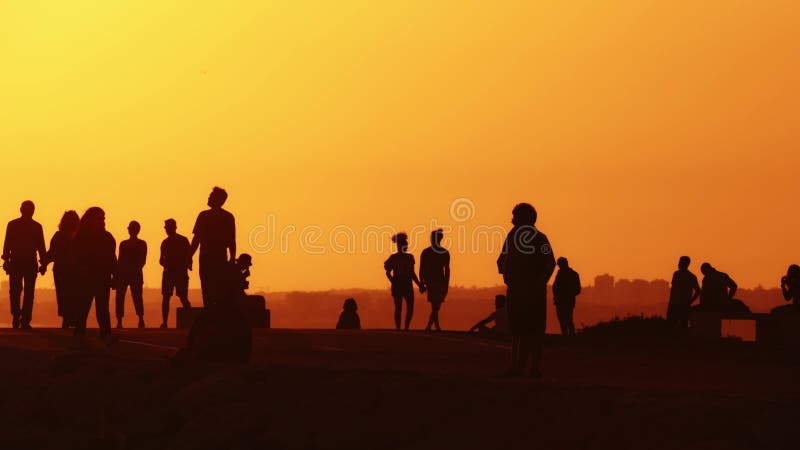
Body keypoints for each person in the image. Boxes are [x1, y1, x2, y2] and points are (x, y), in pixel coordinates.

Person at [496, 203, 556, 379]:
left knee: (523, 331)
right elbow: (550, 262)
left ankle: (521, 368)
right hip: (527, 290)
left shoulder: (519, 237)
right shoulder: (538, 238)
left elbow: (501, 261)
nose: (512, 220)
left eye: (515, 216)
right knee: (527, 331)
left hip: (525, 291)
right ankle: (528, 368)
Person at [72, 207, 117, 343]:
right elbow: (76, 258)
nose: (103, 221)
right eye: (100, 218)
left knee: (102, 308)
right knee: (84, 306)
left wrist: (115, 275)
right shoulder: (81, 238)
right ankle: (80, 332)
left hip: (101, 277)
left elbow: (112, 259)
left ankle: (105, 333)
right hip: (87, 277)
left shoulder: (107, 237)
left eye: (103, 218)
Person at [2, 200, 47, 329]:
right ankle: (24, 320)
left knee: (16, 292)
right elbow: (41, 248)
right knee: (28, 293)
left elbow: (6, 246)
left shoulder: (12, 225)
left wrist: (6, 260)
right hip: (29, 263)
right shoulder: (36, 227)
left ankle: (17, 317)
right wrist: (43, 263)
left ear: (21, 210)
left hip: (17, 262)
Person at [191, 187, 236, 308]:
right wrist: (232, 258)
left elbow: (196, 239)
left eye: (211, 196)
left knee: (208, 287)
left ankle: (210, 312)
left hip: (209, 256)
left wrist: (189, 256)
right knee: (215, 287)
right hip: (217, 256)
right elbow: (232, 241)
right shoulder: (227, 217)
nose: (209, 197)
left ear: (218, 199)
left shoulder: (204, 216)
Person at [42, 211, 80, 328]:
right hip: (74, 270)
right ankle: (72, 317)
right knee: (74, 294)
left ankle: (66, 317)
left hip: (61, 270)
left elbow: (52, 253)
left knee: (63, 294)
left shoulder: (58, 235)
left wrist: (44, 263)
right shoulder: (80, 237)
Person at [384, 232, 423, 330]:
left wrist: (393, 281)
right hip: (406, 283)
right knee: (409, 307)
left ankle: (399, 328)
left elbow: (388, 273)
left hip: (399, 282)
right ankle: (405, 328)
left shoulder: (394, 258)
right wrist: (419, 285)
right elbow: (412, 274)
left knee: (399, 308)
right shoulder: (409, 258)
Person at [159, 218, 192, 328]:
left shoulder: (179, 241)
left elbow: (189, 256)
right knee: (168, 298)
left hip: (178, 273)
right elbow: (161, 259)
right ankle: (166, 322)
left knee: (180, 297)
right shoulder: (168, 242)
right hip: (173, 272)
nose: (166, 230)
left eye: (168, 227)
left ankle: (187, 321)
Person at [114, 221, 147, 329]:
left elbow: (142, 261)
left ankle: (140, 319)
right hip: (127, 274)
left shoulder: (140, 244)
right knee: (121, 298)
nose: (130, 230)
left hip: (133, 274)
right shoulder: (125, 244)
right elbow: (120, 260)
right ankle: (121, 320)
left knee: (136, 297)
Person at [419, 229, 450, 332]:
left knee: (436, 306)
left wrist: (421, 282)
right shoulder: (443, 252)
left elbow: (447, 269)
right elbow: (422, 268)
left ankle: (433, 326)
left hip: (435, 281)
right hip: (434, 282)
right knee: (436, 306)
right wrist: (421, 282)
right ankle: (433, 326)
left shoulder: (427, 252)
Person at [666, 256, 700, 329]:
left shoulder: (691, 277)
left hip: (682, 305)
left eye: (680, 263)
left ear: (686, 264)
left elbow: (698, 291)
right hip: (674, 303)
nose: (678, 264)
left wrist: (690, 301)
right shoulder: (676, 274)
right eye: (679, 262)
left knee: (682, 324)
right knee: (671, 325)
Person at [552, 257, 581, 336]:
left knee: (567, 319)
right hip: (561, 301)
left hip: (567, 301)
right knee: (562, 319)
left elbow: (577, 289)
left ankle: (570, 335)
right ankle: (566, 335)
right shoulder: (560, 274)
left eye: (560, 264)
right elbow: (555, 287)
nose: (559, 266)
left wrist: (567, 294)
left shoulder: (573, 275)